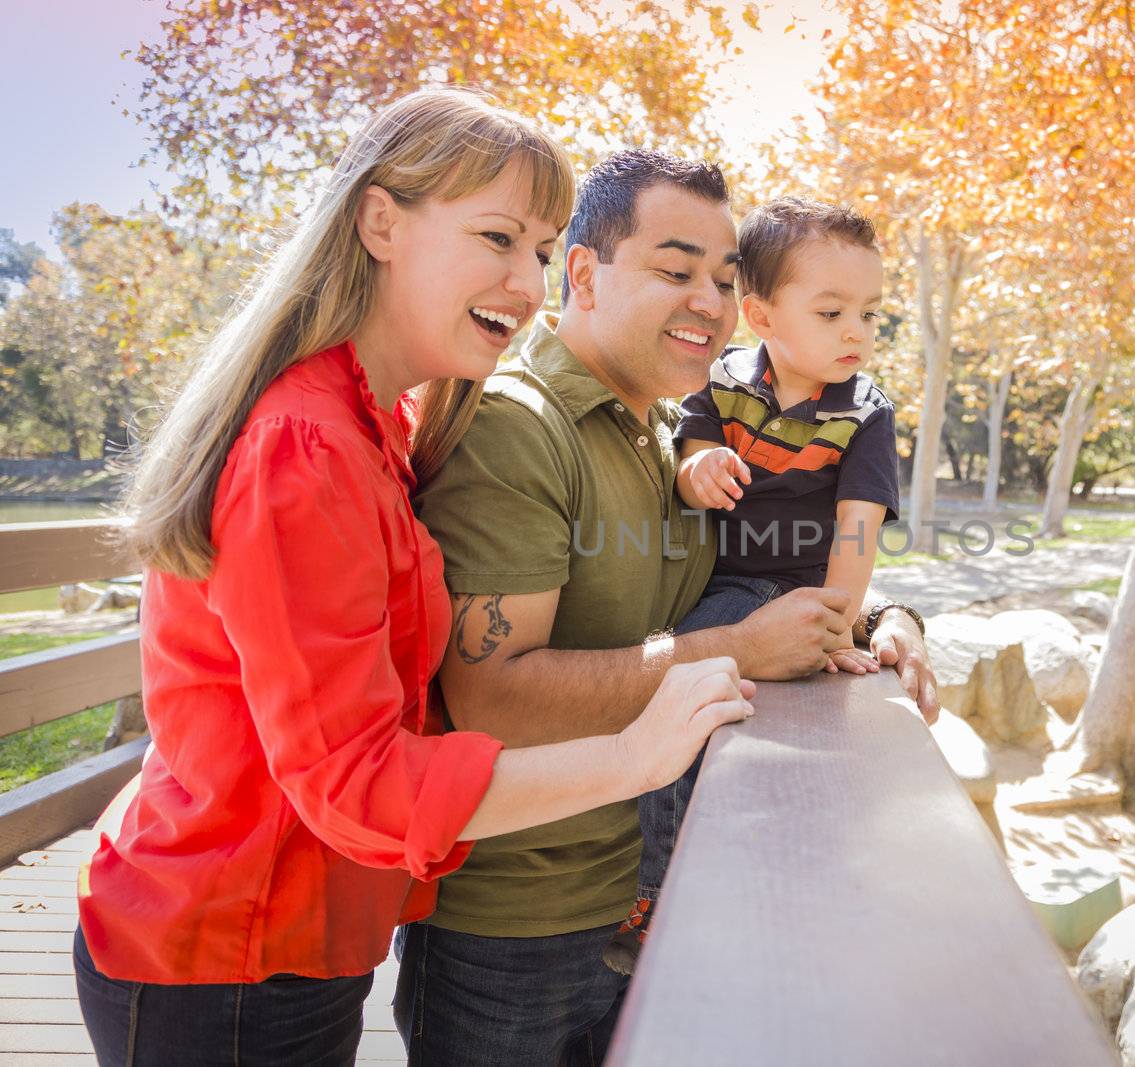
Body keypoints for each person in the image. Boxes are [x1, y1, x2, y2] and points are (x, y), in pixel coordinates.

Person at [72, 91, 752, 1067]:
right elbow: (354, 780)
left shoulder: (375, 425)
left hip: (309, 936)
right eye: (496, 237)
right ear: (379, 221)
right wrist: (637, 752)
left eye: (539, 246)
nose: (526, 283)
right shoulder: (305, 444)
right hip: (225, 952)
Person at [398, 149, 937, 1065]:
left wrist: (884, 617)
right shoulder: (516, 428)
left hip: (661, 910)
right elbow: (492, 696)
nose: (710, 302)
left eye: (724, 280)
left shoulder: (669, 428)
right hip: (520, 933)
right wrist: (740, 648)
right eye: (674, 269)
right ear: (583, 273)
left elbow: (756, 568)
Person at [602, 196, 900, 974]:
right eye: (832, 311)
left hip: (775, 592)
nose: (857, 333)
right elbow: (694, 441)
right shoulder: (725, 379)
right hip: (709, 579)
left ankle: (657, 890)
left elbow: (857, 527)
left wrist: (836, 623)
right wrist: (696, 466)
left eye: (870, 313)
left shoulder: (864, 413)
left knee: (681, 694)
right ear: (762, 316)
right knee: (682, 693)